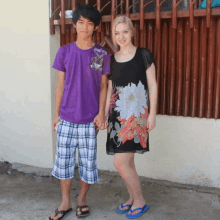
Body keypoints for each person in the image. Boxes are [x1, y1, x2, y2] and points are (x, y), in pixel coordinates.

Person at [49, 3, 110, 220]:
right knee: (63, 163)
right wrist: (55, 116)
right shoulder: (64, 52)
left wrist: (101, 114)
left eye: (90, 24)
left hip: (89, 120)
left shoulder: (101, 54)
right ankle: (65, 201)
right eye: (81, 23)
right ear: (75, 25)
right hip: (66, 117)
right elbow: (60, 86)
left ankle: (82, 200)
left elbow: (103, 87)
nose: (85, 27)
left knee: (87, 165)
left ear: (95, 27)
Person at [105, 16, 157, 219]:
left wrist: (152, 114)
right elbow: (111, 89)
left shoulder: (143, 54)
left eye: (124, 31)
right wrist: (105, 116)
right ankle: (132, 198)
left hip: (136, 117)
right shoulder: (112, 59)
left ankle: (140, 200)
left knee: (120, 163)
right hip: (116, 118)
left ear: (132, 31)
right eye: (117, 33)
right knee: (129, 162)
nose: (121, 36)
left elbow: (152, 85)